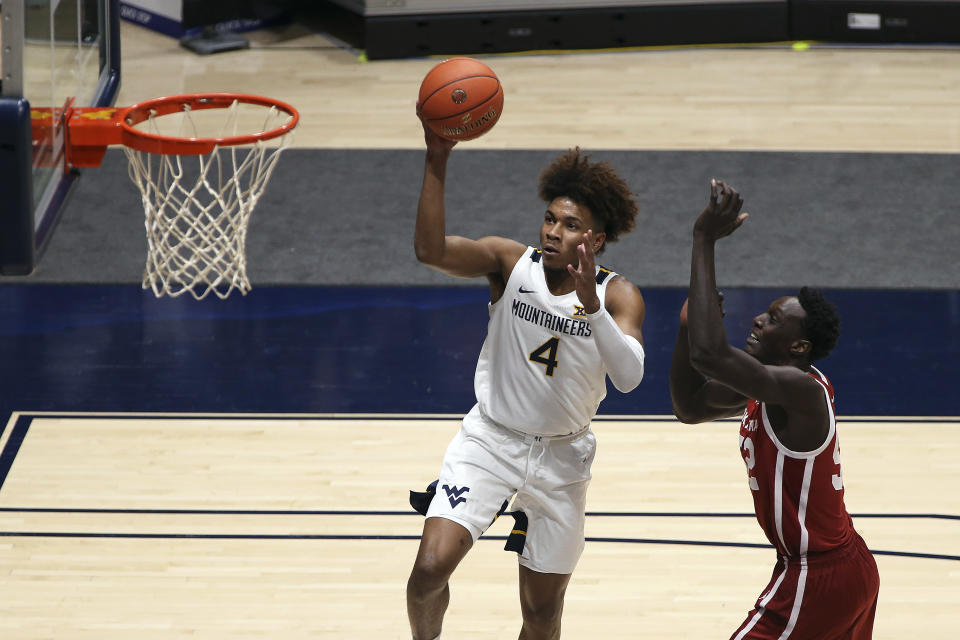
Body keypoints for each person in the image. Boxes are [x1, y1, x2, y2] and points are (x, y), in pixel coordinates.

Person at [406, 121, 647, 640]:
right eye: (549, 219)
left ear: (596, 239)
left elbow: (629, 378)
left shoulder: (619, 295)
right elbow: (429, 251)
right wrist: (436, 159)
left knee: (541, 614)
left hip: (562, 458)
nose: (553, 232)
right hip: (490, 441)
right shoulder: (508, 263)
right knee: (428, 572)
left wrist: (591, 308)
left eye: (570, 224)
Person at [669, 180, 880, 639]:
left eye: (774, 320)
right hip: (838, 567)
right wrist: (688, 328)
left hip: (818, 575)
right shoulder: (766, 388)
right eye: (765, 312)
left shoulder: (798, 389)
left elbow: (711, 354)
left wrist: (703, 240)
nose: (758, 320)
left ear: (798, 346)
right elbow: (689, 406)